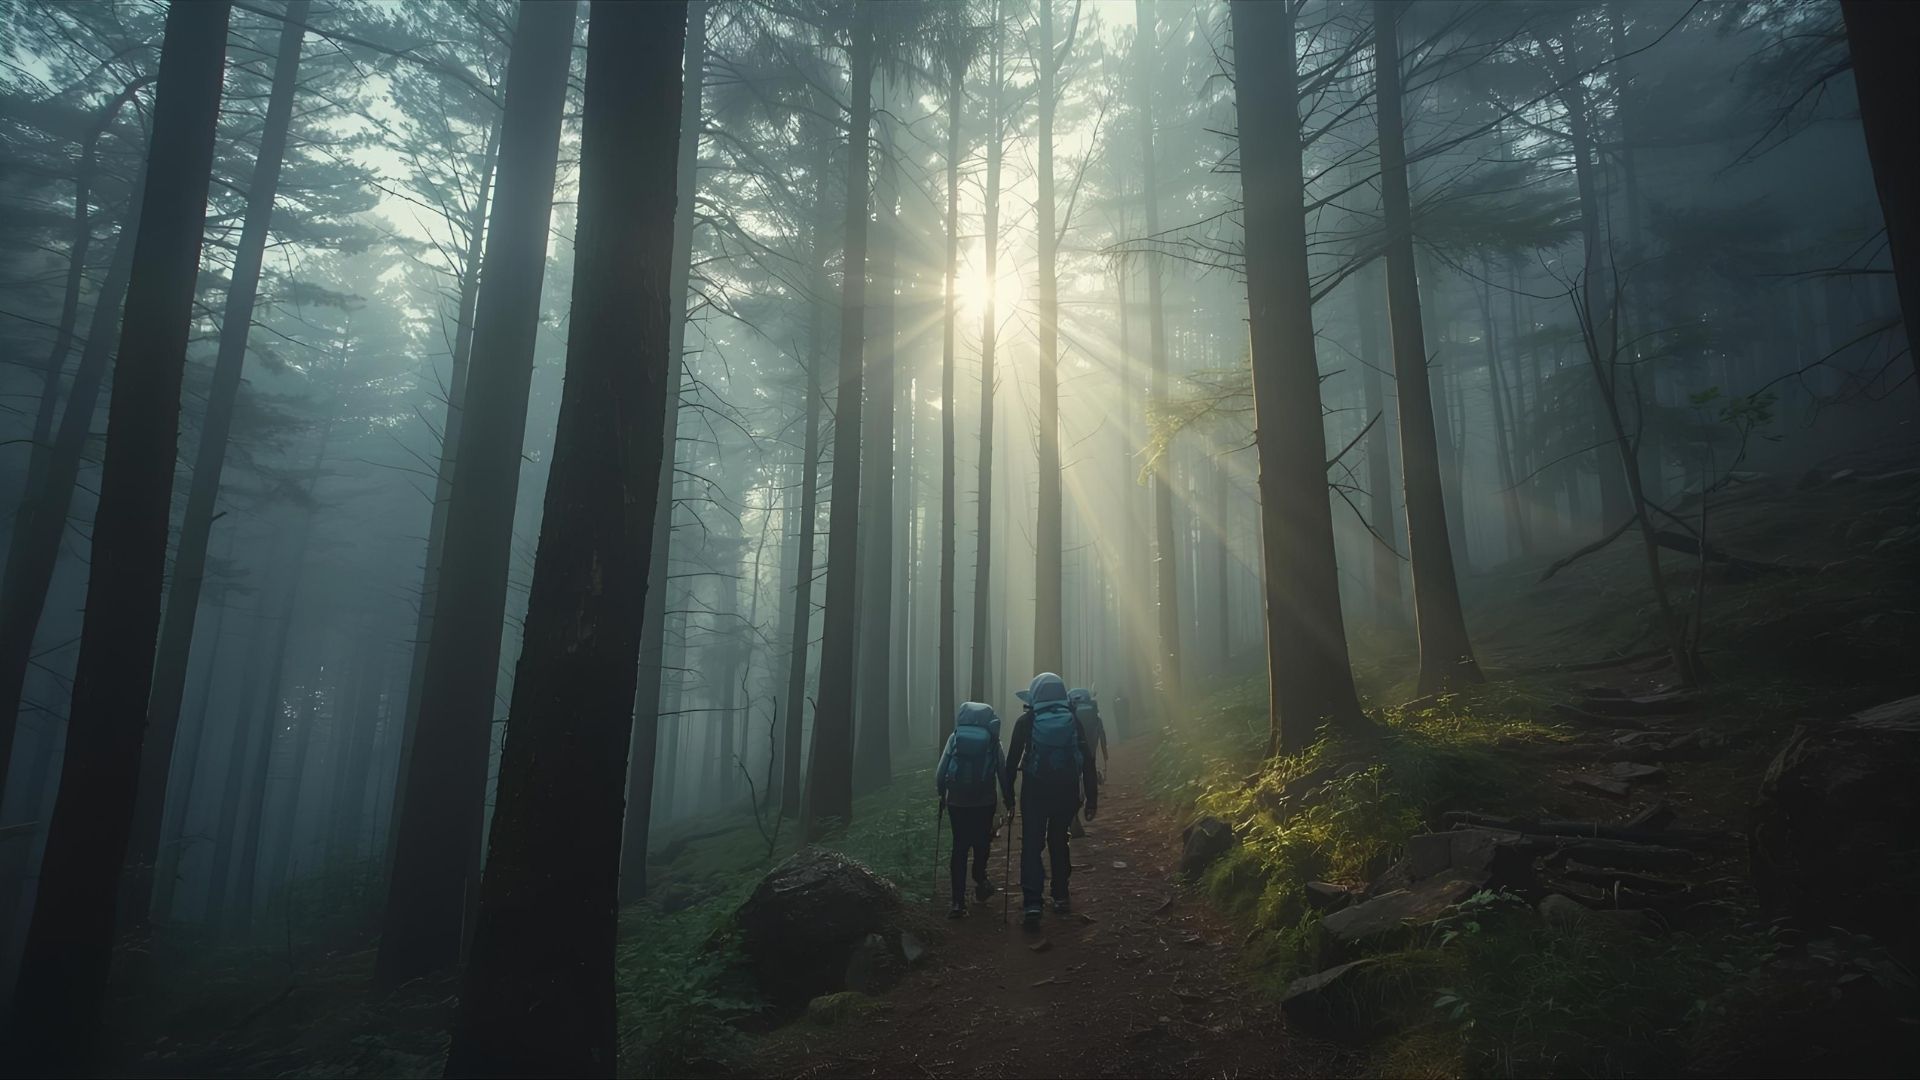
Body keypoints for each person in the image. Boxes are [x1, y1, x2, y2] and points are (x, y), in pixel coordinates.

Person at [1003, 672, 1098, 926]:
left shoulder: (1027, 721)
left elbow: (1011, 763)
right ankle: (1060, 896)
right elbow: (1087, 761)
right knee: (1058, 841)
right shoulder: (1072, 720)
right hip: (1066, 791)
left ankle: (1033, 904)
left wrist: (1008, 797)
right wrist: (1091, 799)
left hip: (1035, 791)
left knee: (1032, 845)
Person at [935, 701, 1005, 918]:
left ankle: (957, 902)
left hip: (957, 801)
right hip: (985, 801)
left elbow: (941, 772)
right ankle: (980, 877)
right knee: (982, 842)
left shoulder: (955, 737)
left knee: (959, 846)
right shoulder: (993, 740)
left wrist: (942, 794)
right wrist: (1009, 800)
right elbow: (1002, 772)